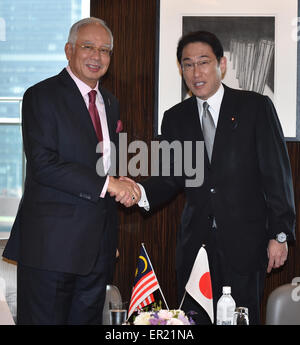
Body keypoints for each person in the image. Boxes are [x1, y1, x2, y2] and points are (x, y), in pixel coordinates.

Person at [131, 30, 296, 324]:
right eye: (188, 64)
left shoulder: (254, 107)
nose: (196, 72)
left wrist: (279, 234)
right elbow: (170, 178)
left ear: (222, 64)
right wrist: (139, 193)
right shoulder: (175, 118)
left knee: (242, 318)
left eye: (203, 62)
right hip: (196, 247)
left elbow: (277, 175)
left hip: (246, 244)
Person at [2, 17, 140, 325]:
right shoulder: (41, 96)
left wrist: (119, 184)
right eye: (88, 47)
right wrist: (110, 184)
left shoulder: (111, 102)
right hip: (50, 251)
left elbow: (103, 168)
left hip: (97, 253)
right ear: (68, 50)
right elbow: (44, 164)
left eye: (105, 50)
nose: (97, 56)